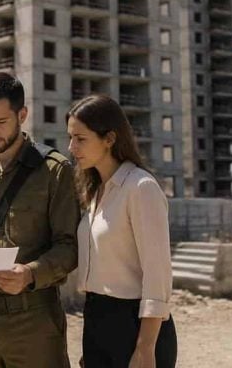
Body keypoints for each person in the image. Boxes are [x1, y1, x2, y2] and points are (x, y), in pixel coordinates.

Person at [0, 72, 80, 368]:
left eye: (0, 122)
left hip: (34, 318)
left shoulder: (54, 171)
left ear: (22, 115)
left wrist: (30, 274)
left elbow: (69, 247)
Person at [66, 94, 178, 368]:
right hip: (97, 320)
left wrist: (145, 348)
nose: (71, 147)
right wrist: (94, 340)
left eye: (81, 139)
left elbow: (157, 274)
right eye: (70, 137)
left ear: (110, 139)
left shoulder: (141, 188)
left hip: (135, 327)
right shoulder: (96, 192)